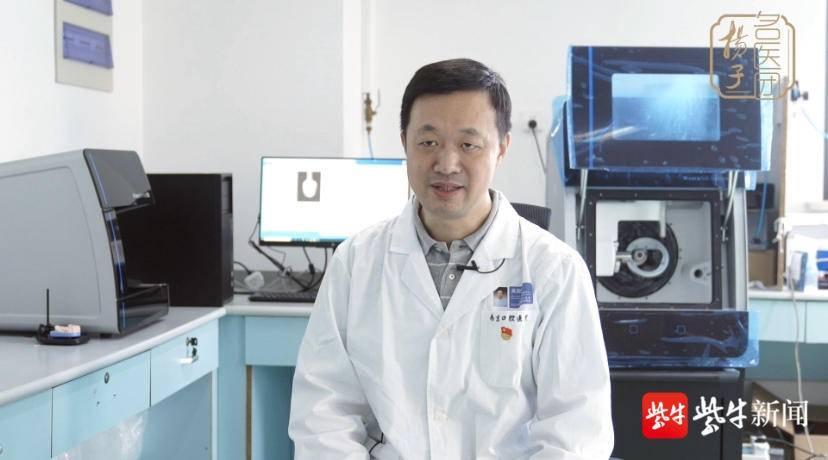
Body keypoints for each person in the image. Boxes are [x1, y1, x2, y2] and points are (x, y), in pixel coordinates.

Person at [289, 58, 614, 459]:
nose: (446, 164)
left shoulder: (555, 270)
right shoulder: (356, 263)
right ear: (405, 142)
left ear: (502, 148)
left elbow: (576, 431)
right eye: (428, 142)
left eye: (468, 144)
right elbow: (323, 413)